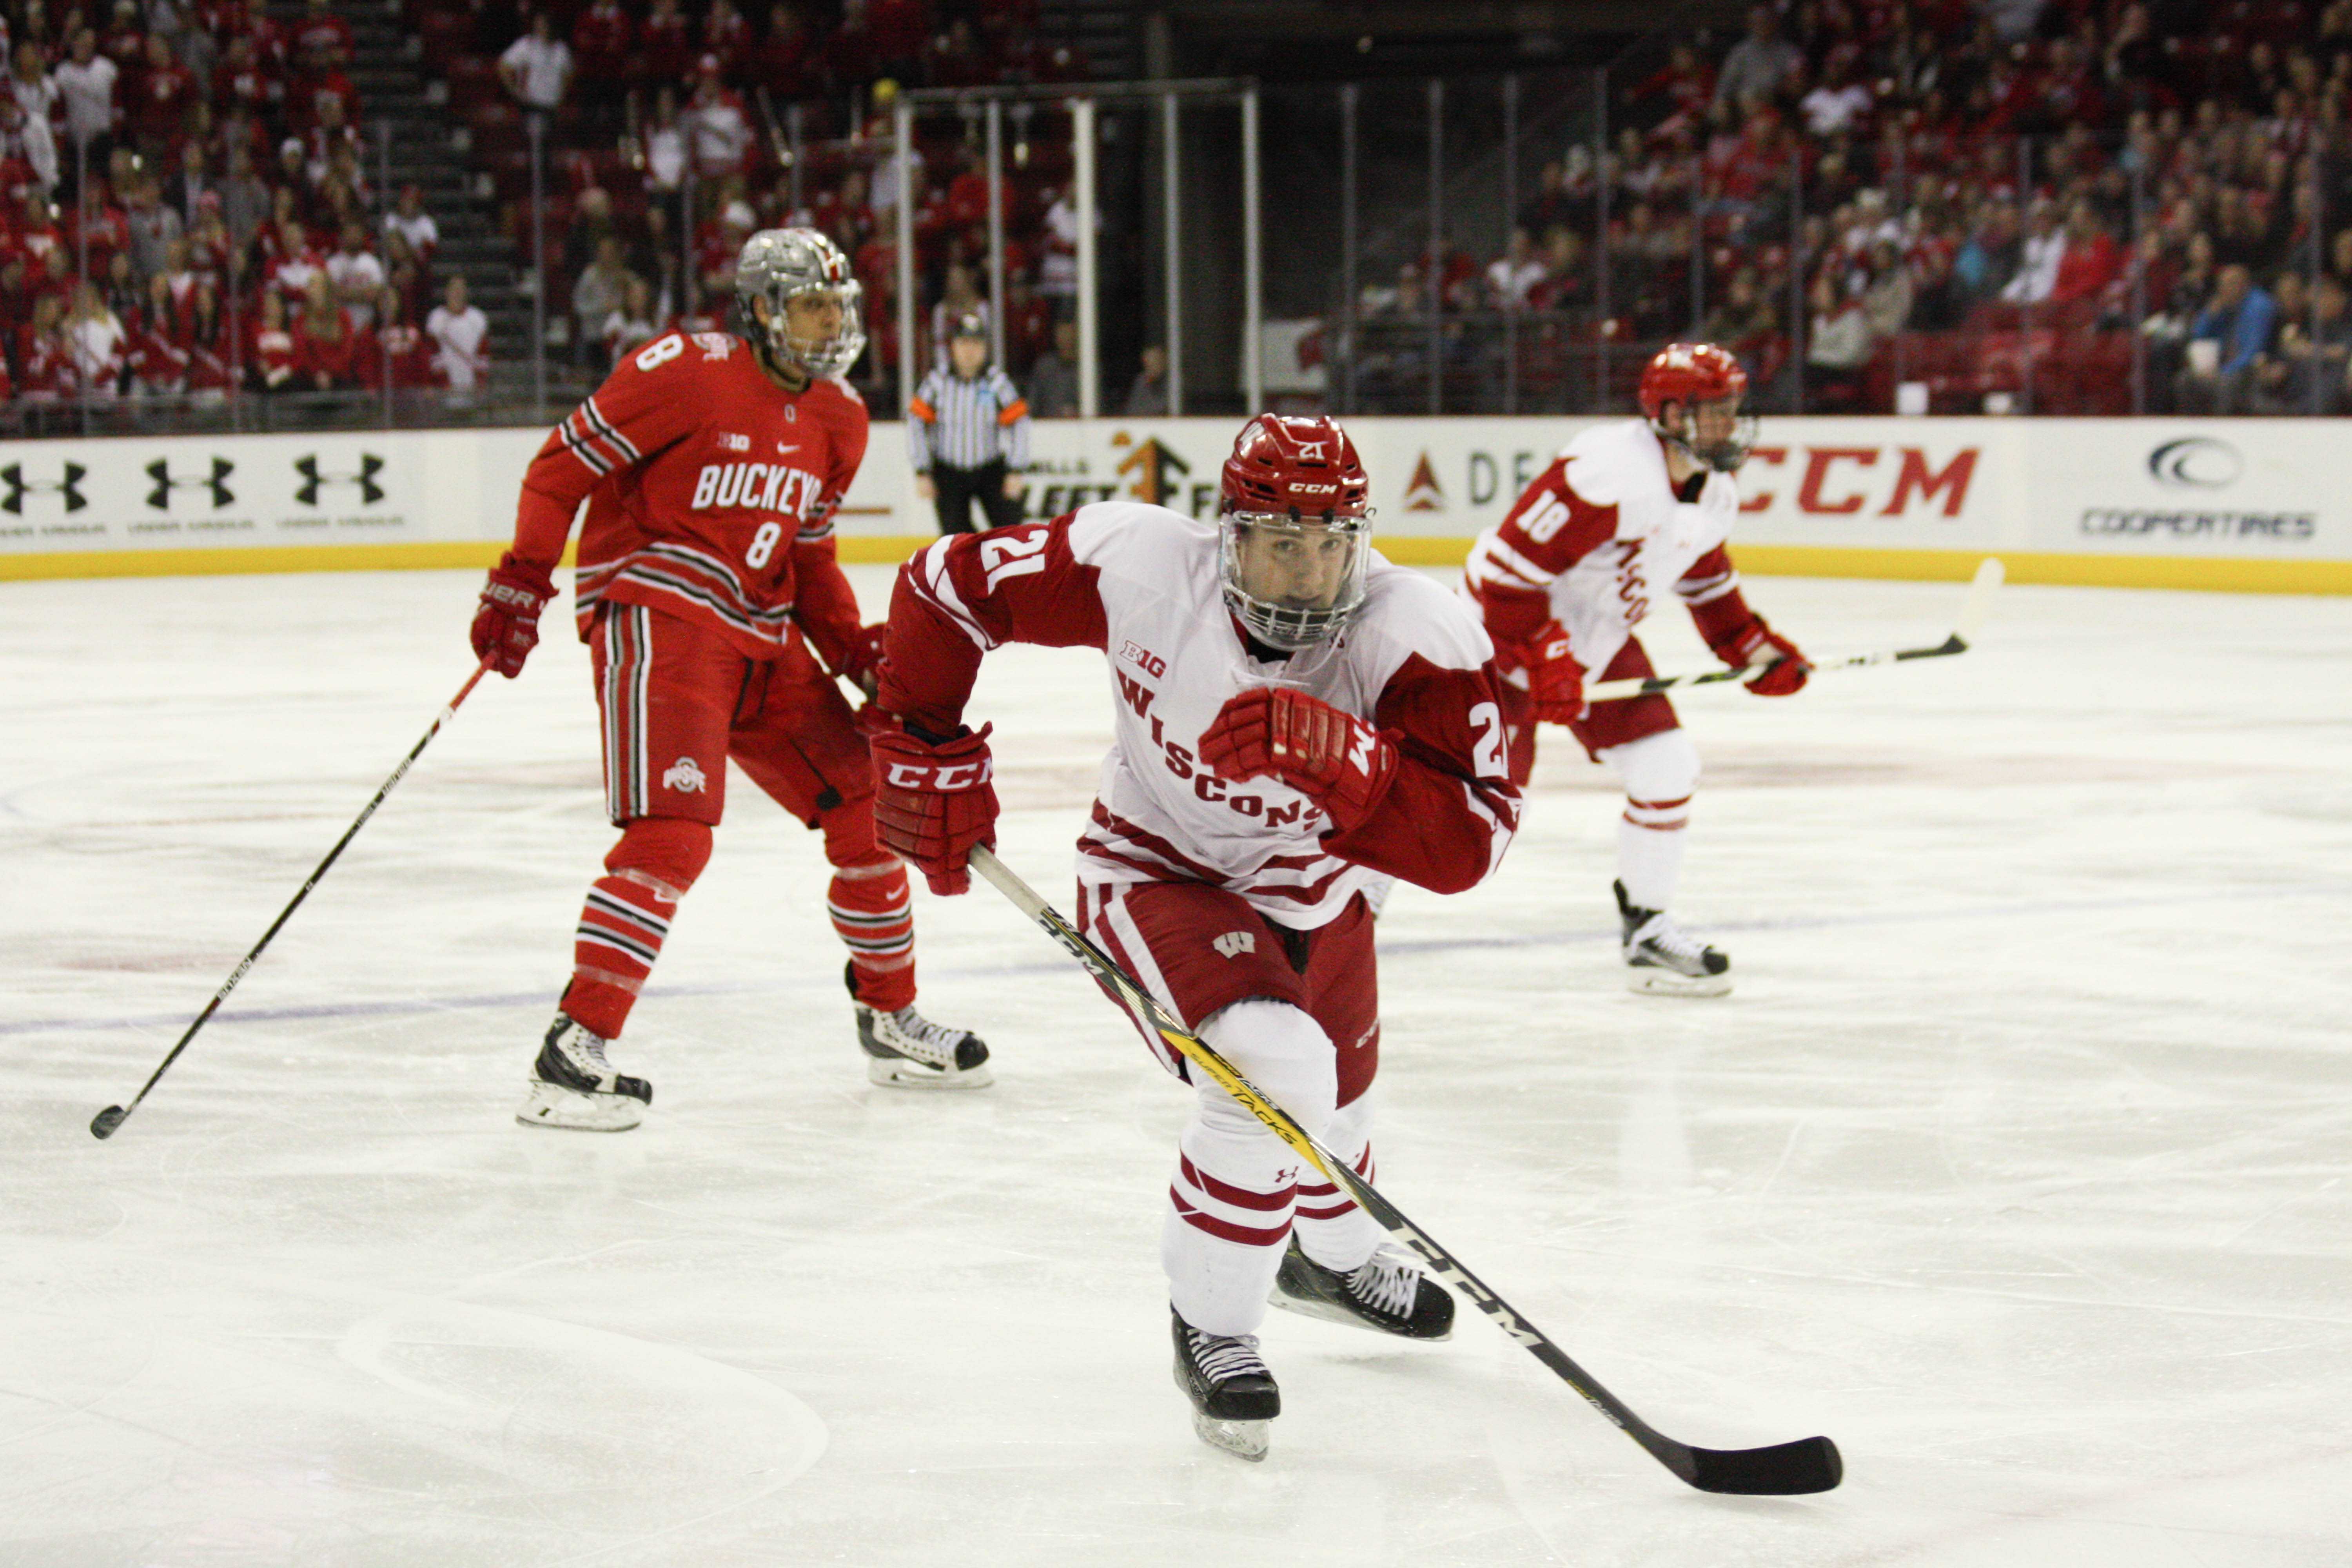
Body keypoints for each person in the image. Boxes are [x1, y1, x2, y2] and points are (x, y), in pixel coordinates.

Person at [866, 414, 1521, 1461]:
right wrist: (920, 735)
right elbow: (944, 584)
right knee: (1276, 1073)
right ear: (1231, 532)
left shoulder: (1417, 632)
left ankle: (1336, 1262)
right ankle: (1215, 1325)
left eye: (1333, 539)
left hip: (1323, 892)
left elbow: (1472, 847)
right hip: (1157, 870)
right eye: (1283, 539)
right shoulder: (1136, 566)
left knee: (1341, 1108)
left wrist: (1355, 767)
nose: (1311, 571)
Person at [466, 227, 988, 1134]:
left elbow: (812, 557)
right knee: (674, 836)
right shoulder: (683, 368)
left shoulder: (841, 417)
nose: (830, 324)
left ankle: (890, 1016)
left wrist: (859, 654)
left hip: (764, 631)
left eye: (839, 306)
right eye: (809, 306)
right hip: (663, 614)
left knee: (867, 807)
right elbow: (560, 468)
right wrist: (522, 575)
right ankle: (572, 1048)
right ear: (758, 310)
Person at [1461, 342, 1808, 998]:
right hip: (1497, 642)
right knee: (1471, 819)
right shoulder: (1607, 472)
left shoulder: (1714, 494)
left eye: (1734, 410)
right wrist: (1542, 653)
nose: (1729, 426)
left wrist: (1756, 650)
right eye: (1715, 413)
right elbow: (1506, 575)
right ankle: (1346, 910)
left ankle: (1648, 929)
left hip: (1590, 645)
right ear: (1671, 414)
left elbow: (1706, 585)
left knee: (1668, 765)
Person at [906, 311, 1028, 534]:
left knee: (1011, 532)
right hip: (949, 471)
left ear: (985, 348)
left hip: (990, 469)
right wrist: (922, 470)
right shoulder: (937, 382)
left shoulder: (996, 382)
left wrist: (1016, 469)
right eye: (964, 343)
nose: (969, 350)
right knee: (956, 539)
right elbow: (916, 423)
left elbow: (1020, 423)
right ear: (953, 347)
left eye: (976, 343)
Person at [425, 272, 488, 394]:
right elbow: (433, 355)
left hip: (471, 386)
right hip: (444, 388)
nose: (457, 293)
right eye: (454, 289)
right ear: (447, 292)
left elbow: (483, 354)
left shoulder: (478, 318)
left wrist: (480, 382)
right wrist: (444, 384)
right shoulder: (436, 318)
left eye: (461, 289)